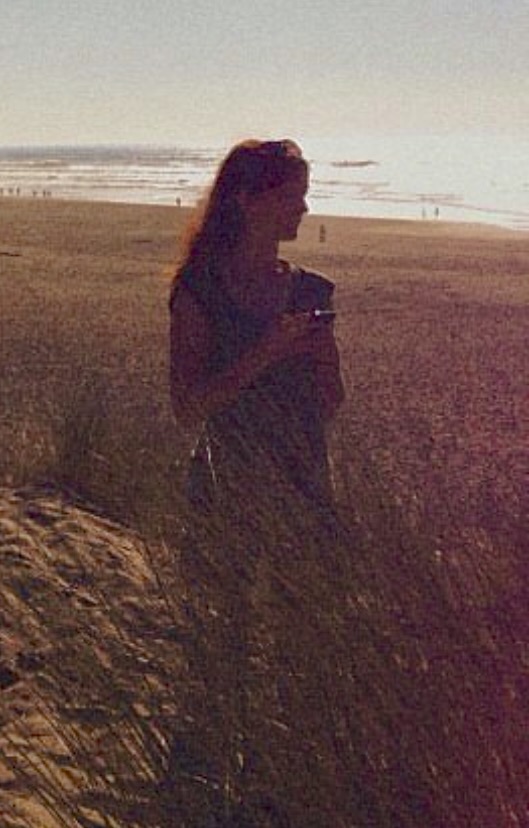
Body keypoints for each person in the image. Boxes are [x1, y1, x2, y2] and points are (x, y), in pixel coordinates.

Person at [169, 138, 344, 552]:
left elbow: (332, 402)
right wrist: (268, 351)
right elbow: (187, 409)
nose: (304, 208)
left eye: (304, 196)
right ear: (248, 201)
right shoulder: (200, 291)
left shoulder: (311, 291)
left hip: (305, 481)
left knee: (308, 612)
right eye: (291, 196)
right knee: (222, 610)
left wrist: (324, 360)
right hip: (226, 483)